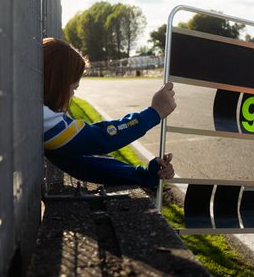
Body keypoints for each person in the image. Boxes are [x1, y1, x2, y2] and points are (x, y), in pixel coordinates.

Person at [42, 37, 175, 188]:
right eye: (73, 89)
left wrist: (144, 175)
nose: (72, 96)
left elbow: (80, 162)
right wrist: (154, 113)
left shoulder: (36, 113)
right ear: (56, 84)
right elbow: (100, 138)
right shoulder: (41, 117)